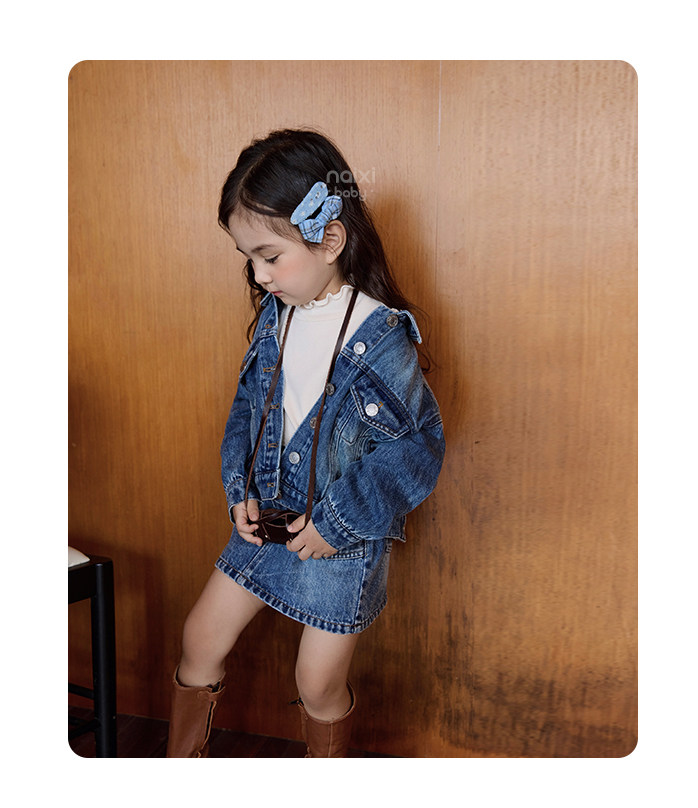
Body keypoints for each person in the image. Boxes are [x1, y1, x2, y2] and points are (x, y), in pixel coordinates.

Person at [166, 129, 445, 758]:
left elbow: (415, 449)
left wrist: (336, 522)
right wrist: (238, 491)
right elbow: (248, 410)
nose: (259, 275)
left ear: (330, 239)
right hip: (265, 519)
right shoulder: (277, 315)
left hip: (338, 538)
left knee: (317, 683)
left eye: (270, 256)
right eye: (249, 259)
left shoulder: (381, 335)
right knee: (199, 639)